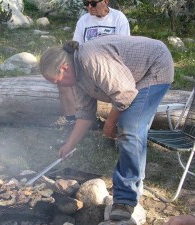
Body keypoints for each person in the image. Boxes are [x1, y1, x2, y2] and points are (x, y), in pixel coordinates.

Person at [39, 35, 174, 221]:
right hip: (135, 78)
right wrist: (69, 145)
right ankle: (133, 182)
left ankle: (125, 200)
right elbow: (85, 114)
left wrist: (110, 124)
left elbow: (125, 94)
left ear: (64, 68)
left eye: (56, 81)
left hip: (155, 67)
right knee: (128, 126)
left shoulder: (90, 60)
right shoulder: (76, 78)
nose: (57, 86)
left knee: (130, 128)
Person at [56, 0, 130, 129]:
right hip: (87, 67)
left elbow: (124, 48)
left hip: (111, 68)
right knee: (62, 80)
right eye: (86, 3)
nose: (89, 7)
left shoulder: (118, 18)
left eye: (93, 3)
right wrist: (71, 47)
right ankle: (72, 121)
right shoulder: (84, 20)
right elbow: (77, 45)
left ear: (105, 1)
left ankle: (116, 126)